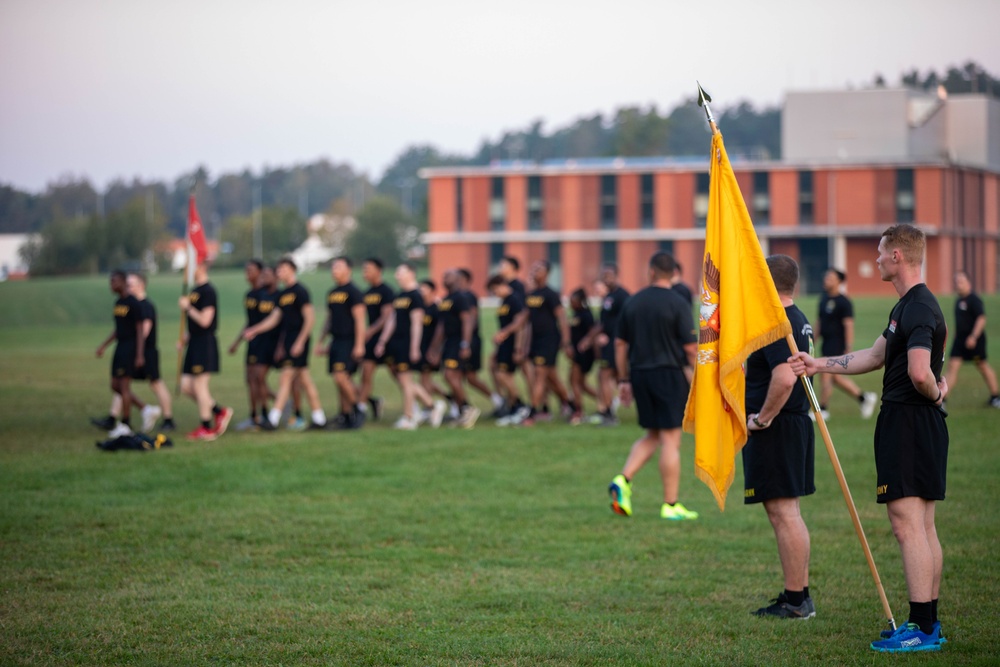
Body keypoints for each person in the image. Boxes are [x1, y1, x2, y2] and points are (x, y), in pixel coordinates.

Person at [789, 224, 949, 653]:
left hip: (910, 423)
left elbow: (919, 373)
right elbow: (875, 356)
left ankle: (920, 627)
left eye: (881, 253)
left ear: (898, 256)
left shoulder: (917, 308)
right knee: (923, 525)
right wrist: (817, 364)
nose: (876, 259)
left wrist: (937, 393)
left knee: (907, 526)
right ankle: (928, 625)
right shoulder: (907, 307)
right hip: (918, 425)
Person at [744, 255, 817, 619]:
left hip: (780, 425)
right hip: (795, 423)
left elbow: (786, 376)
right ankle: (799, 594)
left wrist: (762, 418)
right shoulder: (799, 318)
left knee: (784, 513)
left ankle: (795, 600)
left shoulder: (776, 322)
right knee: (789, 512)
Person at [607, 252, 698, 521]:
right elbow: (690, 348)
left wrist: (624, 380)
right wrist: (698, 379)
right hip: (669, 375)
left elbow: (620, 345)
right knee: (671, 439)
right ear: (674, 274)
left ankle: (623, 479)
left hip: (640, 375)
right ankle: (670, 505)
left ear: (651, 271)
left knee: (654, 434)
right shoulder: (678, 302)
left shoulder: (633, 302)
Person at [244, 257, 327, 430]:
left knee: (285, 377)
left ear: (291, 270)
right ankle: (319, 418)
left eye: (282, 269)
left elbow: (310, 319)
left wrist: (300, 342)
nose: (279, 273)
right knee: (305, 380)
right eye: (278, 270)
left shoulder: (300, 291)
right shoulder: (283, 295)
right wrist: (255, 330)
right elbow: (274, 318)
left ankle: (273, 419)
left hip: (298, 340)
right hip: (289, 340)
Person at [376, 263, 447, 429]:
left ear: (411, 274)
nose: (397, 276)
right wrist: (383, 341)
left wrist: (415, 348)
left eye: (401, 273)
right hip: (397, 342)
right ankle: (432, 405)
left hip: (408, 343)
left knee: (406, 380)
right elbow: (392, 320)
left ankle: (409, 417)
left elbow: (417, 324)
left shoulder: (416, 296)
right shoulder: (400, 295)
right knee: (403, 380)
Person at [178, 262, 233, 441]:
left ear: (200, 267)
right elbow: (194, 324)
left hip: (205, 343)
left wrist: (188, 308)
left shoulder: (208, 291)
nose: (186, 271)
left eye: (189, 267)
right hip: (193, 343)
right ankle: (219, 411)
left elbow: (205, 321)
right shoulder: (195, 291)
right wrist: (184, 339)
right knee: (186, 386)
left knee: (200, 386)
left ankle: (206, 427)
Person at [815, 268, 878, 419]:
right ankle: (864, 398)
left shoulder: (844, 302)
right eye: (826, 277)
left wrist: (848, 347)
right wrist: (811, 340)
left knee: (825, 374)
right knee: (835, 378)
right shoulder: (823, 299)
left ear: (839, 281)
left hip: (837, 344)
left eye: (830, 278)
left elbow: (849, 325)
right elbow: (819, 323)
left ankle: (822, 409)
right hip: (826, 342)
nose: (826, 280)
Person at [522, 260, 575, 426]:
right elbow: (527, 320)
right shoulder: (530, 295)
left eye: (539, 269)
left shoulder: (551, 294)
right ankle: (573, 406)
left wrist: (566, 342)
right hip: (536, 341)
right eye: (534, 268)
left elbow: (562, 318)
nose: (535, 271)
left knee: (540, 375)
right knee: (552, 378)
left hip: (549, 340)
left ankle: (531, 413)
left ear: (547, 273)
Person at [427, 269, 481, 428]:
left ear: (458, 279)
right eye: (444, 276)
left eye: (448, 276)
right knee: (451, 377)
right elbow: (441, 327)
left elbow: (468, 321)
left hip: (458, 341)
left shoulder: (461, 298)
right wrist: (434, 348)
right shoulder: (445, 300)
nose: (445, 278)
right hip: (449, 342)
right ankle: (461, 410)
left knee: (450, 375)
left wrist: (465, 343)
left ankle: (467, 408)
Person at [317, 257, 367, 429]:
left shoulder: (354, 292)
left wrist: (359, 344)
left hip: (349, 340)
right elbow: (329, 319)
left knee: (340, 376)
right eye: (333, 267)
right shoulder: (332, 293)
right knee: (340, 379)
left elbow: (360, 320)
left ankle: (358, 409)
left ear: (349, 270)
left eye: (338, 267)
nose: (334, 270)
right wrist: (321, 340)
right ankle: (344, 415)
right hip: (336, 340)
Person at [93, 270, 144, 438]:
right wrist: (104, 346)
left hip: (130, 347)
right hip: (120, 347)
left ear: (123, 282)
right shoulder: (118, 303)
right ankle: (144, 408)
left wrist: (139, 354)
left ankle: (126, 424)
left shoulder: (133, 303)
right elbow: (118, 329)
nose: (111, 285)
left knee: (124, 386)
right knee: (115, 385)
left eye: (114, 281)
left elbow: (139, 329)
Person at [229, 260, 279, 430]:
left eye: (251, 270)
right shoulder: (250, 294)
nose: (247, 274)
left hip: (267, 341)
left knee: (259, 377)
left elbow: (270, 321)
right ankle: (254, 415)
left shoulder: (268, 294)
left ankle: (266, 413)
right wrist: (237, 341)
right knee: (250, 379)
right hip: (253, 341)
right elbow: (250, 322)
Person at [944, 270, 1000, 407]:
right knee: (952, 367)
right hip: (960, 341)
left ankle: (995, 397)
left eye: (961, 281)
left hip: (975, 341)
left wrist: (973, 337)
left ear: (968, 282)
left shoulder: (974, 299)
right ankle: (942, 400)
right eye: (956, 282)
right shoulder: (958, 301)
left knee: (983, 366)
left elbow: (981, 319)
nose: (958, 284)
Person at [127, 272, 174, 432]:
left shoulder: (145, 306)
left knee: (156, 384)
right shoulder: (134, 306)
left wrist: (134, 348)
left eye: (131, 284)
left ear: (141, 285)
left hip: (147, 352)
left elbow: (144, 331)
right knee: (122, 382)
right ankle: (115, 417)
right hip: (138, 351)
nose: (128, 288)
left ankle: (168, 418)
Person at [589, 264, 630, 425]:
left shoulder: (622, 296)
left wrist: (614, 337)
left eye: (609, 275)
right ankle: (605, 409)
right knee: (606, 376)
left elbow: (626, 321)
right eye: (604, 276)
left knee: (606, 375)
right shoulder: (609, 296)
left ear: (616, 275)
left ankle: (608, 413)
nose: (606, 278)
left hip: (616, 343)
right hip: (609, 343)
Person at [487, 274, 529, 425]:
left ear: (502, 285)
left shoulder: (514, 300)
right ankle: (512, 407)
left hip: (512, 344)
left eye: (494, 290)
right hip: (504, 344)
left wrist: (518, 348)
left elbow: (520, 325)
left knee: (503, 375)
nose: (494, 294)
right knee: (500, 373)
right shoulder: (504, 301)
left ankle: (520, 405)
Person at [355, 258, 394, 421]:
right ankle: (362, 409)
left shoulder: (386, 291)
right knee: (366, 374)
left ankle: (417, 406)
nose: (365, 273)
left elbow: (387, 316)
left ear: (379, 271)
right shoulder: (367, 293)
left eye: (368, 269)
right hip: (370, 340)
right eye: (364, 269)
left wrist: (370, 331)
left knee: (399, 375)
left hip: (386, 339)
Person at [567, 287, 597, 425]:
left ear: (580, 301)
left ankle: (578, 411)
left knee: (574, 381)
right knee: (581, 384)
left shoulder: (586, 315)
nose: (571, 303)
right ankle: (604, 400)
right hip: (576, 353)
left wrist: (586, 342)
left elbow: (593, 331)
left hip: (583, 354)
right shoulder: (575, 314)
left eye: (573, 301)